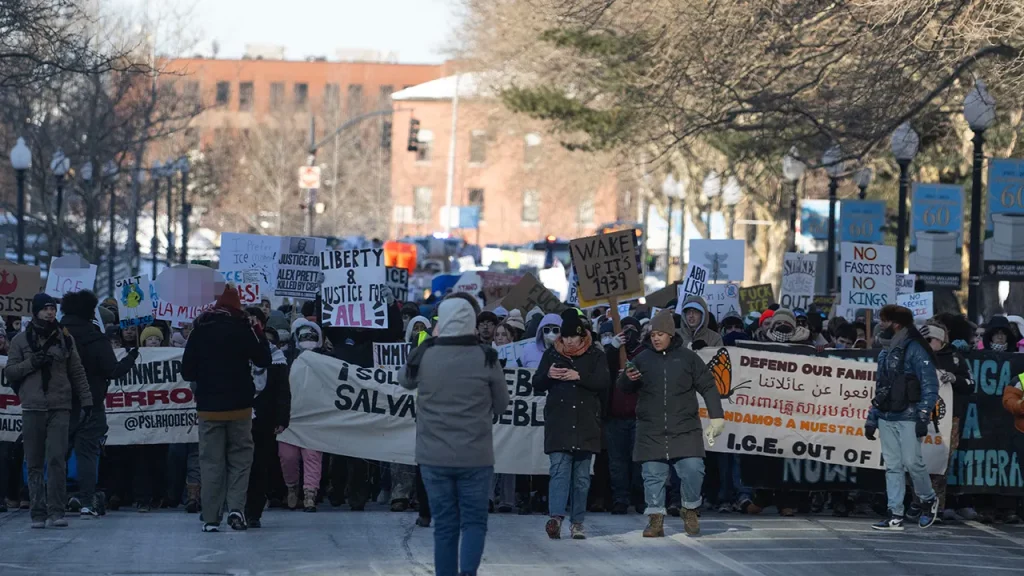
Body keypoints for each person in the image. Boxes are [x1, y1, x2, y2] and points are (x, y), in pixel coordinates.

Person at [400, 296, 510, 576]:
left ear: (442, 322)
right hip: (476, 456)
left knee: (445, 525)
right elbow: (502, 404)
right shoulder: (487, 356)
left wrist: (427, 343)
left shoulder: (425, 354)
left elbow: (404, 380)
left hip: (433, 457)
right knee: (473, 522)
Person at [619, 309, 725, 537]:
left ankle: (690, 509)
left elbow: (708, 385)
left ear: (670, 334)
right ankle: (655, 519)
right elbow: (623, 387)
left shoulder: (688, 358)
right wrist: (627, 378)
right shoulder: (642, 358)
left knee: (693, 470)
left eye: (660, 334)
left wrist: (717, 417)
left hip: (685, 428)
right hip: (651, 430)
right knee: (652, 475)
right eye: (652, 334)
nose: (655, 338)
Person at [182, 285, 272, 532]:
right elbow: (264, 360)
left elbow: (186, 371)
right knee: (240, 460)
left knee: (211, 462)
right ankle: (236, 509)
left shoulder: (199, 330)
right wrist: (259, 333)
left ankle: (211, 518)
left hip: (209, 408)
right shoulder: (243, 328)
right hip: (240, 407)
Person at [6, 293, 93, 528]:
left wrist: (86, 400)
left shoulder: (65, 339)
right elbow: (11, 372)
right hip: (33, 406)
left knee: (56, 458)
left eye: (52, 308)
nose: (50, 312)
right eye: (45, 309)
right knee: (34, 461)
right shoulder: (21, 341)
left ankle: (56, 511)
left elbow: (77, 371)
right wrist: (32, 363)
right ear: (35, 312)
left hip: (60, 405)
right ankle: (38, 511)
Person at [532, 309, 610, 540]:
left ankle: (577, 522)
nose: (567, 341)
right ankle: (555, 518)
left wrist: (579, 377)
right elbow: (537, 383)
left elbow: (604, 381)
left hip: (586, 424)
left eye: (572, 337)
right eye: (564, 337)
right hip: (560, 424)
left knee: (582, 478)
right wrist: (548, 375)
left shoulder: (595, 355)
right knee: (559, 472)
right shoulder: (551, 355)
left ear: (582, 336)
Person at [60, 290, 138, 517]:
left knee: (57, 453)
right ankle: (86, 499)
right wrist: (131, 357)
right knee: (87, 453)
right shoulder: (95, 337)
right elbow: (112, 371)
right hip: (91, 404)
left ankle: (55, 499)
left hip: (59, 403)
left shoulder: (55, 334)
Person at [864, 304, 940, 531]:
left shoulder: (916, 349)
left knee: (912, 462)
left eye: (885, 320)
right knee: (893, 466)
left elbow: (930, 384)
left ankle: (928, 499)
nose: (881, 325)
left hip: (908, 415)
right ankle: (894, 513)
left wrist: (923, 416)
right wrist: (872, 417)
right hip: (888, 415)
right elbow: (882, 388)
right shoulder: (885, 351)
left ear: (896, 324)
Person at [921, 317, 974, 521]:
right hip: (920, 418)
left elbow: (970, 384)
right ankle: (918, 504)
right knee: (918, 462)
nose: (926, 344)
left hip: (948, 420)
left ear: (940, 340)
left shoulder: (955, 359)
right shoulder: (916, 356)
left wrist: (954, 379)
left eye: (930, 339)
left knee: (941, 463)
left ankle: (937, 507)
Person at [244, 307, 291, 526]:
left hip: (264, 417)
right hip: (238, 414)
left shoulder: (275, 355)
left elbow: (282, 389)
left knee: (260, 465)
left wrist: (282, 419)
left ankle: (253, 511)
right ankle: (236, 507)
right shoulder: (235, 350)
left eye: (256, 322)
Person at [279, 317, 324, 511]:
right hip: (289, 415)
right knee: (287, 456)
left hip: (314, 416)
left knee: (312, 456)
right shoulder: (285, 358)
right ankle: (292, 488)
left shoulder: (326, 360)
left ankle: (309, 494)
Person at [603, 317, 644, 515]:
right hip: (615, 416)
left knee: (638, 461)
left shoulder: (643, 354)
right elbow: (601, 369)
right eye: (624, 330)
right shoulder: (611, 353)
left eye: (632, 330)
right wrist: (613, 348)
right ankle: (620, 498)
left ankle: (639, 498)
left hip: (638, 417)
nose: (628, 334)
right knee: (617, 462)